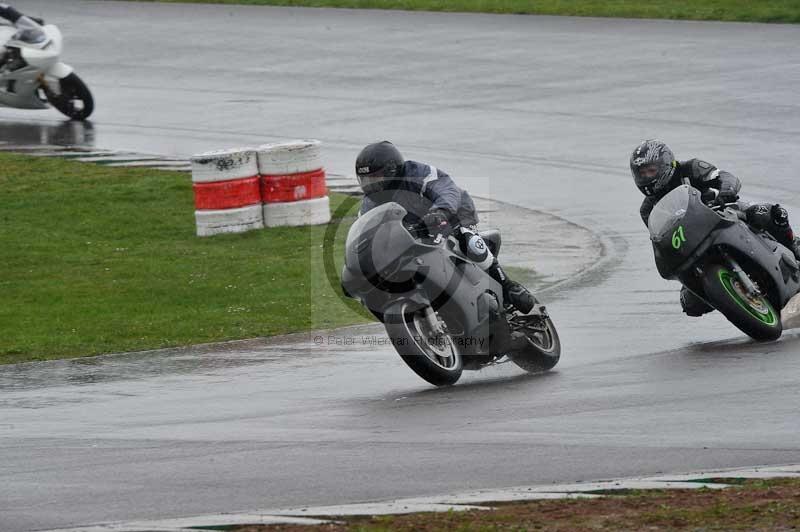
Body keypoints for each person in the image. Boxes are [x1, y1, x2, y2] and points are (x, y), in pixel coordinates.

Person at [355, 140, 535, 314]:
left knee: (465, 239)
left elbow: (446, 189)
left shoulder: (418, 173)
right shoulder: (369, 205)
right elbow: (366, 234)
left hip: (454, 214)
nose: (371, 186)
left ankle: (509, 287)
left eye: (375, 179)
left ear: (392, 171)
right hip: (415, 231)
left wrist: (440, 211)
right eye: (366, 181)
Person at [630, 139, 800, 317]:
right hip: (692, 243)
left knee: (769, 213)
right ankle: (736, 300)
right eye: (642, 173)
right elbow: (661, 237)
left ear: (666, 164)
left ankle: (793, 243)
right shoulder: (647, 210)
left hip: (724, 212)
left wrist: (725, 192)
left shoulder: (691, 168)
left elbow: (726, 177)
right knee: (689, 302)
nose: (647, 177)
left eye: (651, 170)